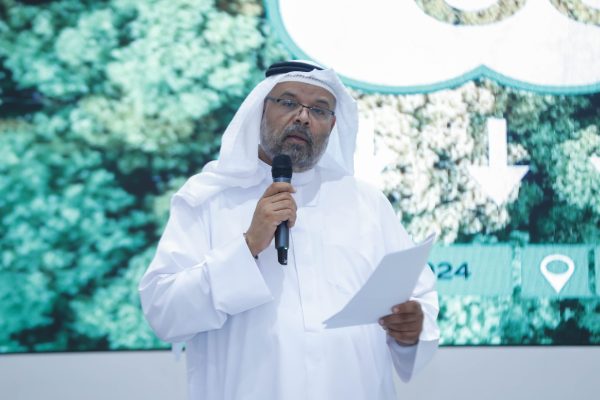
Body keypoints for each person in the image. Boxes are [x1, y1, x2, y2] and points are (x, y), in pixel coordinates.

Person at [139, 60, 439, 400]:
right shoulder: (209, 199)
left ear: (333, 125)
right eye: (288, 102)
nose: (303, 117)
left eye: (319, 109)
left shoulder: (367, 203)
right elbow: (165, 312)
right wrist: (248, 246)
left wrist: (413, 327)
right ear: (260, 109)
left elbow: (418, 296)